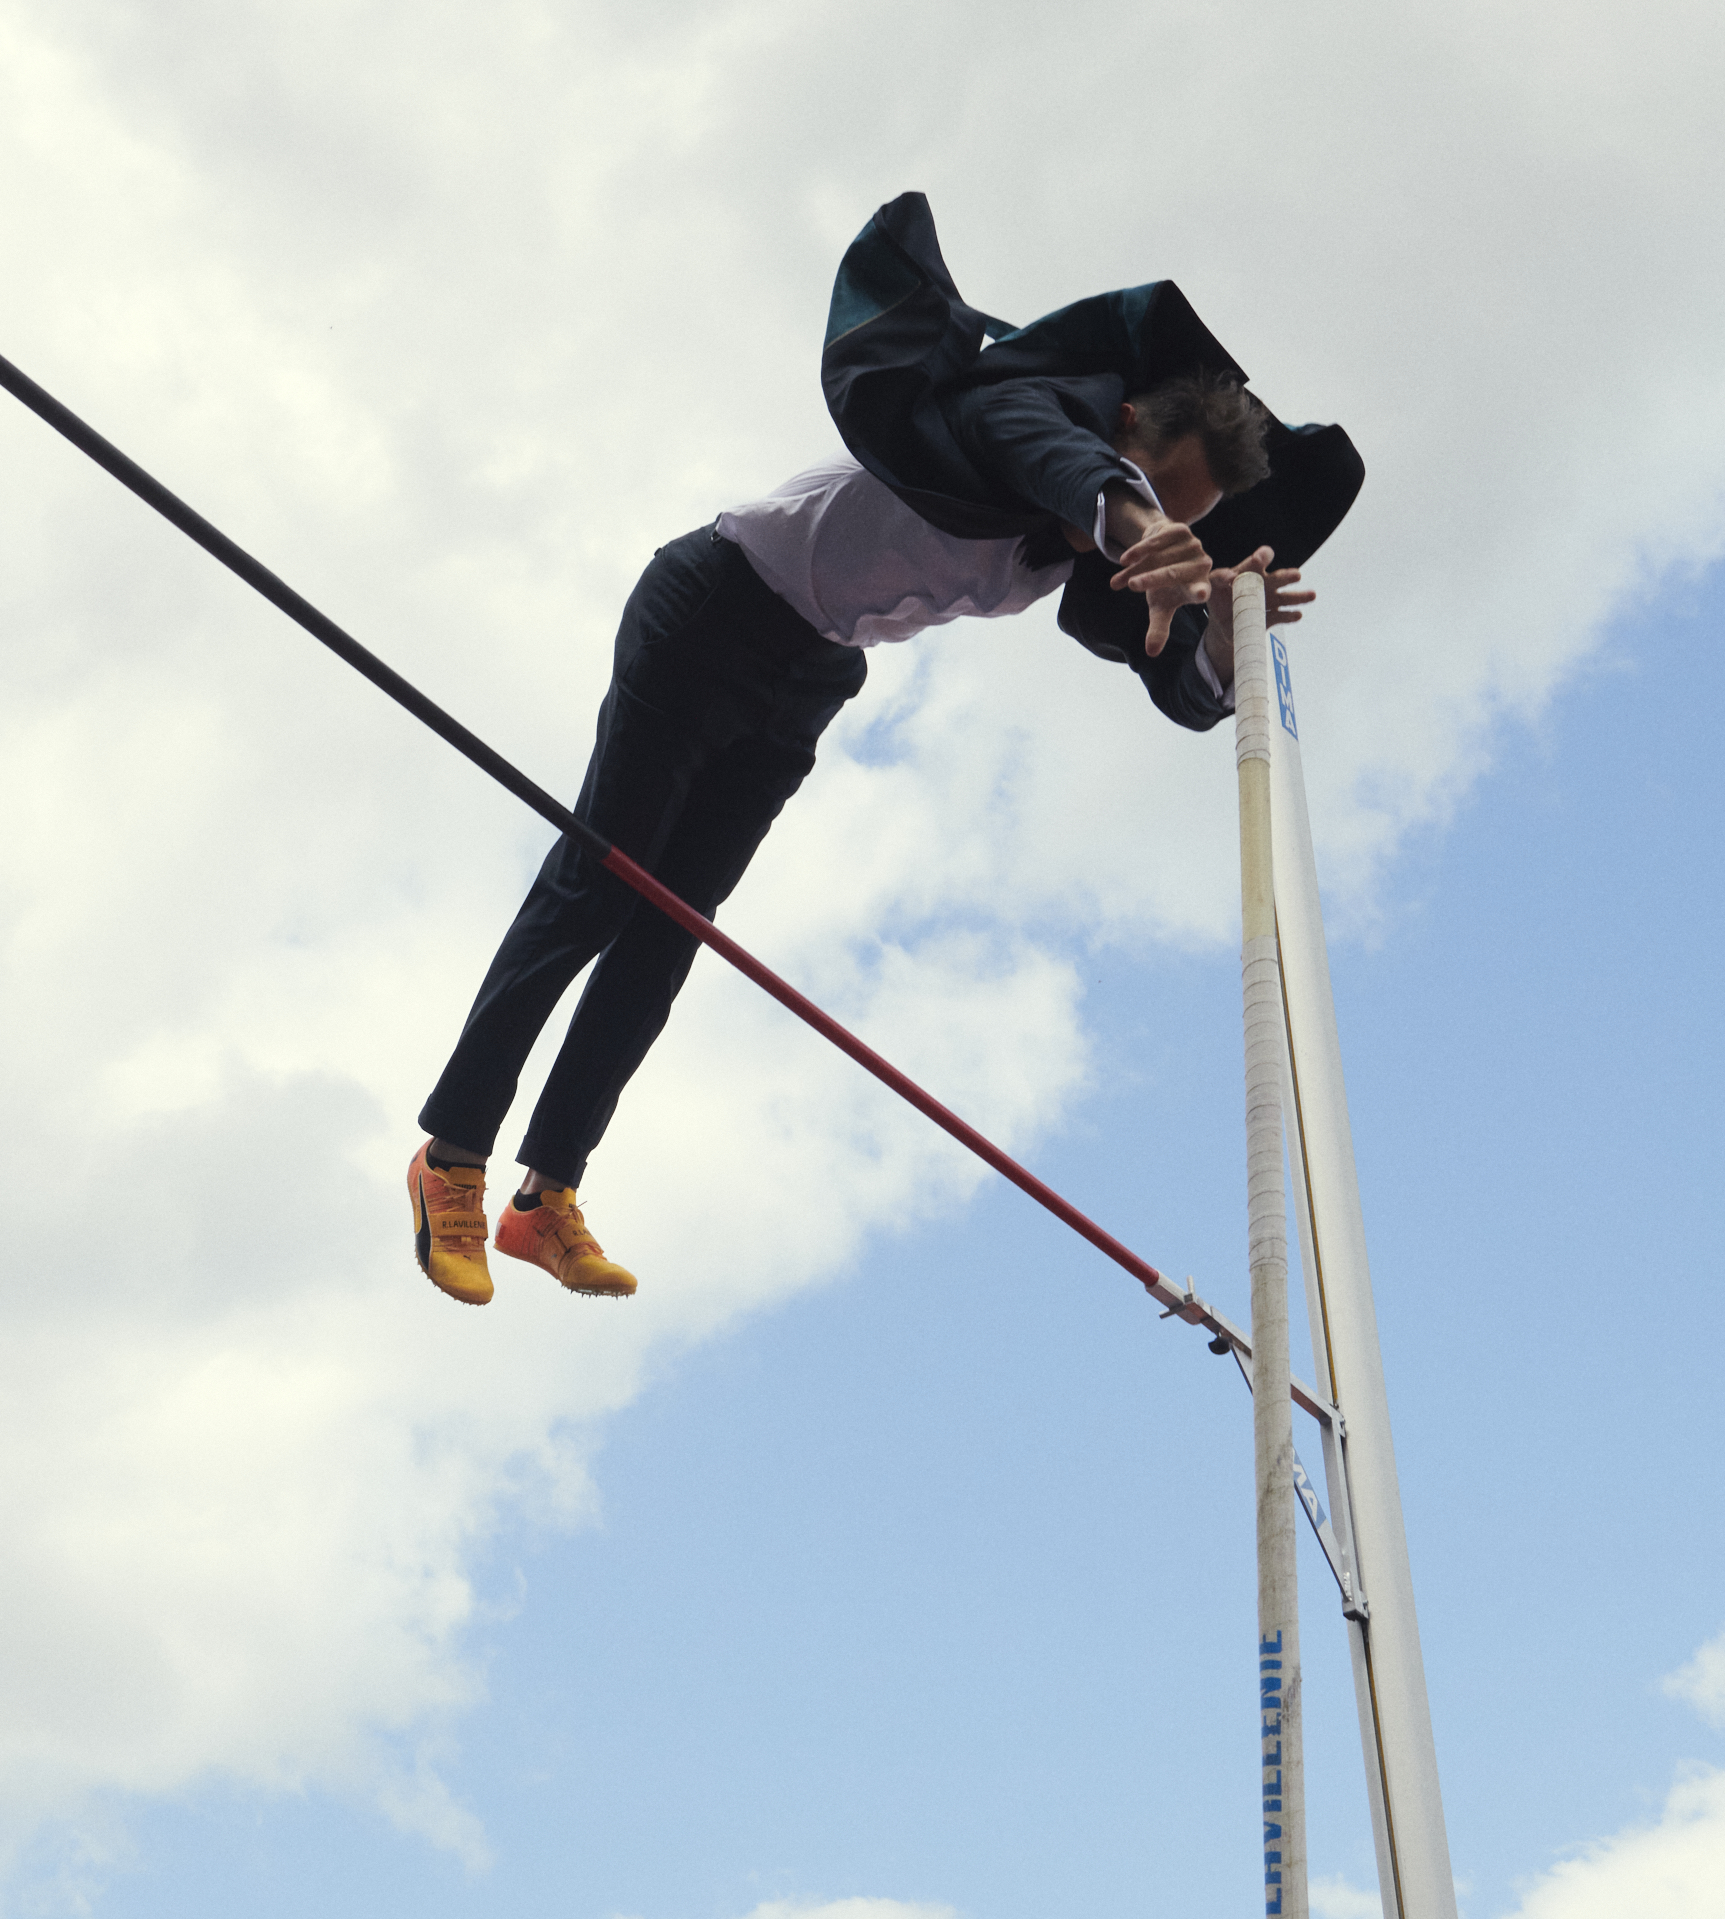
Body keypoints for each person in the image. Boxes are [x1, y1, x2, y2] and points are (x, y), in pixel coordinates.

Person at [409, 195, 1362, 1307]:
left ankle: (545, 1197)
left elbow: (1166, 667)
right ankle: (452, 1156)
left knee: (669, 934)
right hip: (708, 608)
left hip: (807, 671)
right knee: (594, 889)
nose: (1150, 524)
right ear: (1123, 421)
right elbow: (1052, 456)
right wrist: (1135, 521)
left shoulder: (1079, 539)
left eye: (1175, 516)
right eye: (1150, 490)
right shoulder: (1011, 413)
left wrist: (1224, 617)